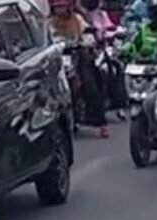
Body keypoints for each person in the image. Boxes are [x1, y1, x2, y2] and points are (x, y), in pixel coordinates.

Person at [48, 0, 110, 136]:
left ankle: (101, 124)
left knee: (90, 85)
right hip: (59, 58)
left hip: (78, 55)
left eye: (62, 7)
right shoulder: (49, 24)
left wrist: (86, 42)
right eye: (57, 8)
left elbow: (87, 34)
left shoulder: (77, 19)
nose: (60, 10)